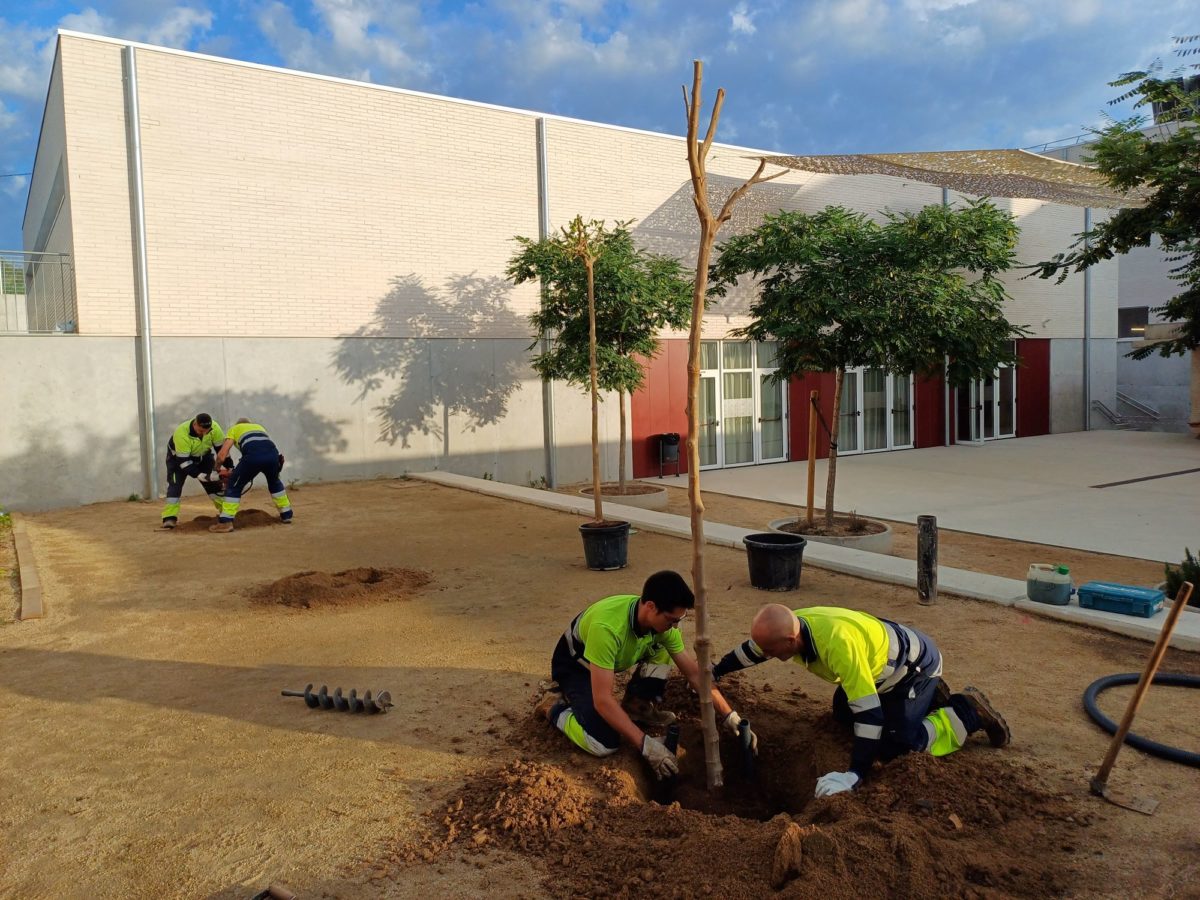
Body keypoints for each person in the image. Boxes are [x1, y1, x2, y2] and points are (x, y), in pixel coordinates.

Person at [713, 604, 1010, 799]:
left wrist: (854, 775)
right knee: (843, 712)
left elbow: (871, 717)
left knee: (898, 746)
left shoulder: (838, 646)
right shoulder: (792, 625)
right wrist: (717, 671)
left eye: (771, 650)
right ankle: (925, 698)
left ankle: (965, 712)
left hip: (911, 669)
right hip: (880, 664)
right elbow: (754, 650)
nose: (765, 655)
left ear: (790, 642)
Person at [535, 570, 756, 781]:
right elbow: (603, 700)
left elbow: (694, 674)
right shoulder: (608, 629)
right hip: (577, 668)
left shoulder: (663, 627)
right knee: (603, 743)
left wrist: (730, 716)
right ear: (651, 607)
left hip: (610, 661)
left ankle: (637, 707)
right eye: (671, 619)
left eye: (679, 620)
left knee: (662, 650)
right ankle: (555, 708)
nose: (675, 626)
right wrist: (646, 746)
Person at [208, 418, 293, 533]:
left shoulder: (234, 429)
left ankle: (225, 522)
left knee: (234, 486)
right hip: (273, 456)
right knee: (275, 482)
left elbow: (222, 454)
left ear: (238, 425)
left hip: (253, 457)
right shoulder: (259, 427)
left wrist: (215, 470)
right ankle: (286, 514)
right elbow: (263, 447)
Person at [161, 413, 226, 529]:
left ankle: (226, 513)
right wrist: (199, 475)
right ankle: (169, 518)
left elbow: (222, 450)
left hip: (203, 456)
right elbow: (184, 462)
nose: (204, 433)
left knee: (213, 485)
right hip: (178, 460)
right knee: (175, 485)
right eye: (201, 431)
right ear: (195, 424)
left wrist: (229, 467)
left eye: (207, 431)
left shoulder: (215, 428)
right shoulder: (182, 433)